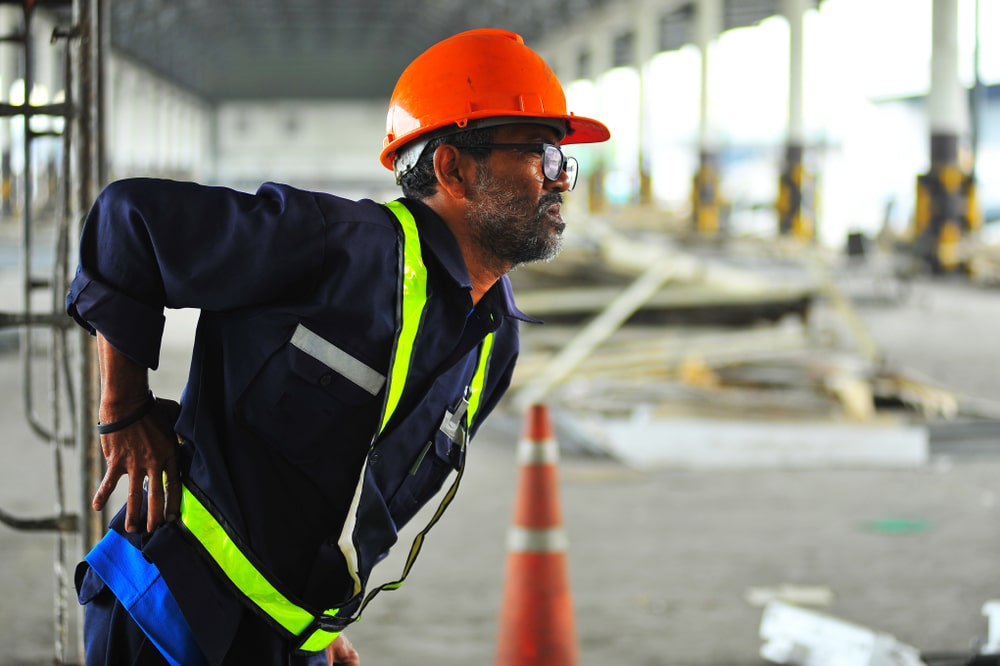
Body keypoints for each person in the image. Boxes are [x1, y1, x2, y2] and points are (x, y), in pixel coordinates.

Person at [67, 27, 610, 665]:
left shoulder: (494, 344)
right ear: (453, 169)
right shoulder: (337, 246)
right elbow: (128, 220)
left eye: (564, 161)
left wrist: (316, 622)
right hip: (169, 609)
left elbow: (367, 489)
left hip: (289, 639)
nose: (561, 181)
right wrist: (125, 409)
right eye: (542, 156)